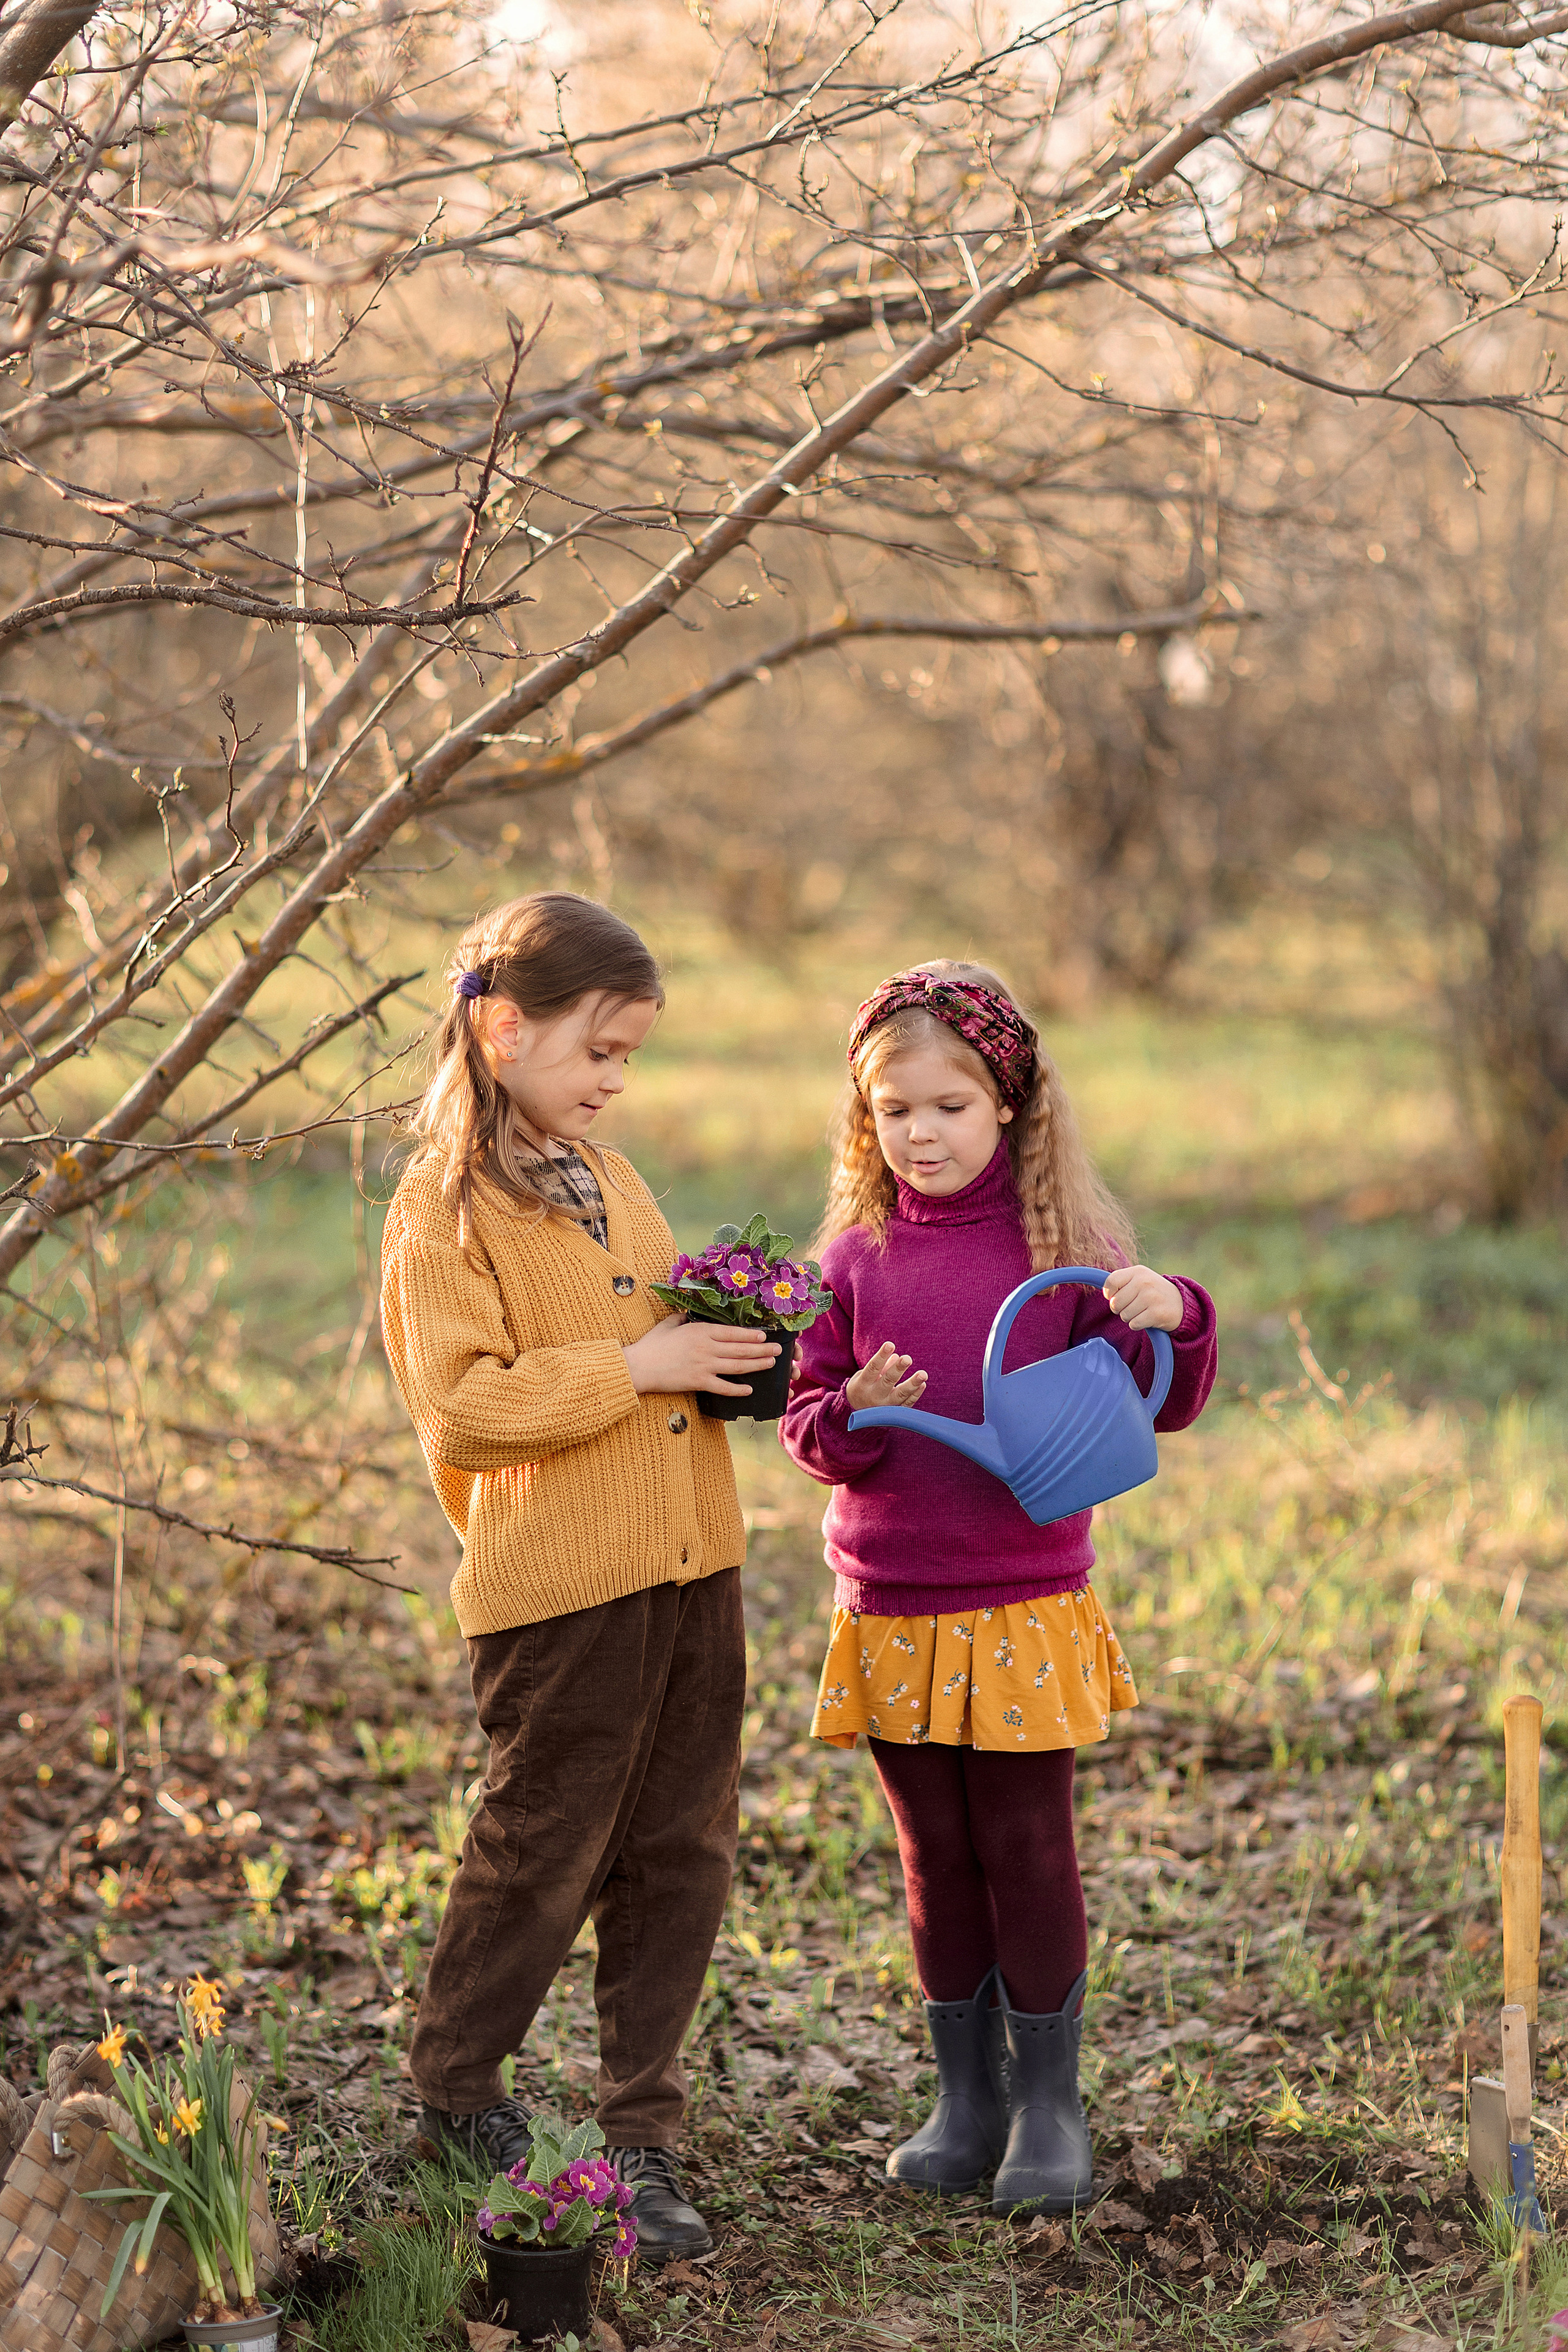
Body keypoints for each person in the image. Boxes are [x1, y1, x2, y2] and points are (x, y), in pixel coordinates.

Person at [779, 960, 1217, 2214]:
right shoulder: (853, 1256)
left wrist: (1168, 1312)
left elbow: (1159, 1403)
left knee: (1025, 1845)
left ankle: (1046, 2102)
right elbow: (807, 1423)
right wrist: (852, 1411)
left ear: (1008, 1105)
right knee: (933, 1854)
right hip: (892, 1600)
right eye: (891, 1112)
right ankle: (963, 2099)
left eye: (946, 1107)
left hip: (1022, 1599)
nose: (918, 1134)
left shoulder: (1065, 1252)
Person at [380, 891, 780, 2261]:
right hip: (559, 1594)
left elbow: (663, 1335)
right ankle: (452, 2088)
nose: (617, 1081)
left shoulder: (608, 1177)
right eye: (596, 1051)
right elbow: (464, 1410)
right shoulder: (443, 1211)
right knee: (542, 1846)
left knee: (681, 1850)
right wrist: (632, 1368)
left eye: (630, 1056)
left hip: (690, 1567)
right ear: (499, 1029)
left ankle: (642, 2134)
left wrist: (734, 1345)